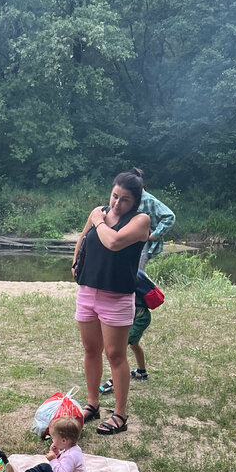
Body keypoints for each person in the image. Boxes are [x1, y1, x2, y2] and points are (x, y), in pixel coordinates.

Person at [72, 168, 151, 435]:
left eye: (125, 199)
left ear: (135, 201)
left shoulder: (140, 221)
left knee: (115, 354)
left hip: (116, 297)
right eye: (115, 196)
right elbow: (83, 239)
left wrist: (98, 222)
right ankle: (92, 404)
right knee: (90, 350)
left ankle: (120, 414)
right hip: (87, 292)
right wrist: (75, 264)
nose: (117, 203)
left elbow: (114, 242)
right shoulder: (98, 212)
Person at [4, 416, 85, 472]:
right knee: (43, 467)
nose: (52, 440)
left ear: (64, 441)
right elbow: (63, 463)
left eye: (53, 438)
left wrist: (53, 460)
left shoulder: (71, 456)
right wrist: (57, 454)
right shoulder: (72, 449)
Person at [99, 271, 156, 394]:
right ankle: (142, 372)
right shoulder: (129, 274)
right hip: (137, 317)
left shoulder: (126, 278)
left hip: (140, 319)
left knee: (119, 350)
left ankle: (113, 381)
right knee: (134, 344)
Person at [137, 188, 175, 271]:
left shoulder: (148, 200)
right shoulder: (122, 198)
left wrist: (155, 234)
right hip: (125, 240)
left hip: (142, 243)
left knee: (137, 273)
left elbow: (169, 216)